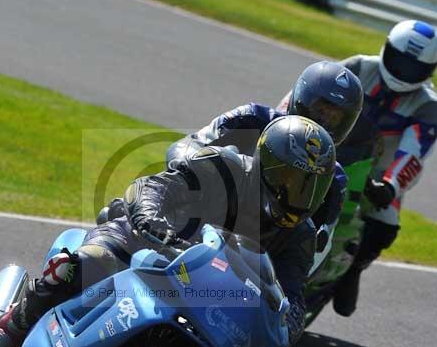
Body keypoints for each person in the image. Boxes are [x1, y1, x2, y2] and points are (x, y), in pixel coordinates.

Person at [0, 115, 336, 347]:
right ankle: (7, 333)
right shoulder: (223, 166)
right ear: (267, 165)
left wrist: (287, 329)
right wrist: (152, 222)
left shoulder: (299, 236)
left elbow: (292, 292)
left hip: (205, 290)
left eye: (310, 187)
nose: (298, 195)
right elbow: (154, 187)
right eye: (291, 180)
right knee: (85, 264)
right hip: (144, 244)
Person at [101, 61, 363, 258]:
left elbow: (319, 242)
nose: (324, 121)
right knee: (123, 215)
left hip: (258, 253)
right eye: (320, 110)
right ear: (301, 99)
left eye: (335, 117)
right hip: (203, 217)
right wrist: (203, 167)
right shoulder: (251, 117)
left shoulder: (333, 174)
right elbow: (186, 146)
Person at [332, 19, 437, 316]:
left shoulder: (429, 105)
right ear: (387, 48)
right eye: (399, 61)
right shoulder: (357, 67)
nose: (403, 71)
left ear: (429, 70)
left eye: (413, 67)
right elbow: (306, 94)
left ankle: (352, 270)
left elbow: (414, 153)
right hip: (326, 151)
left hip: (375, 180)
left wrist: (390, 186)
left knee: (386, 223)